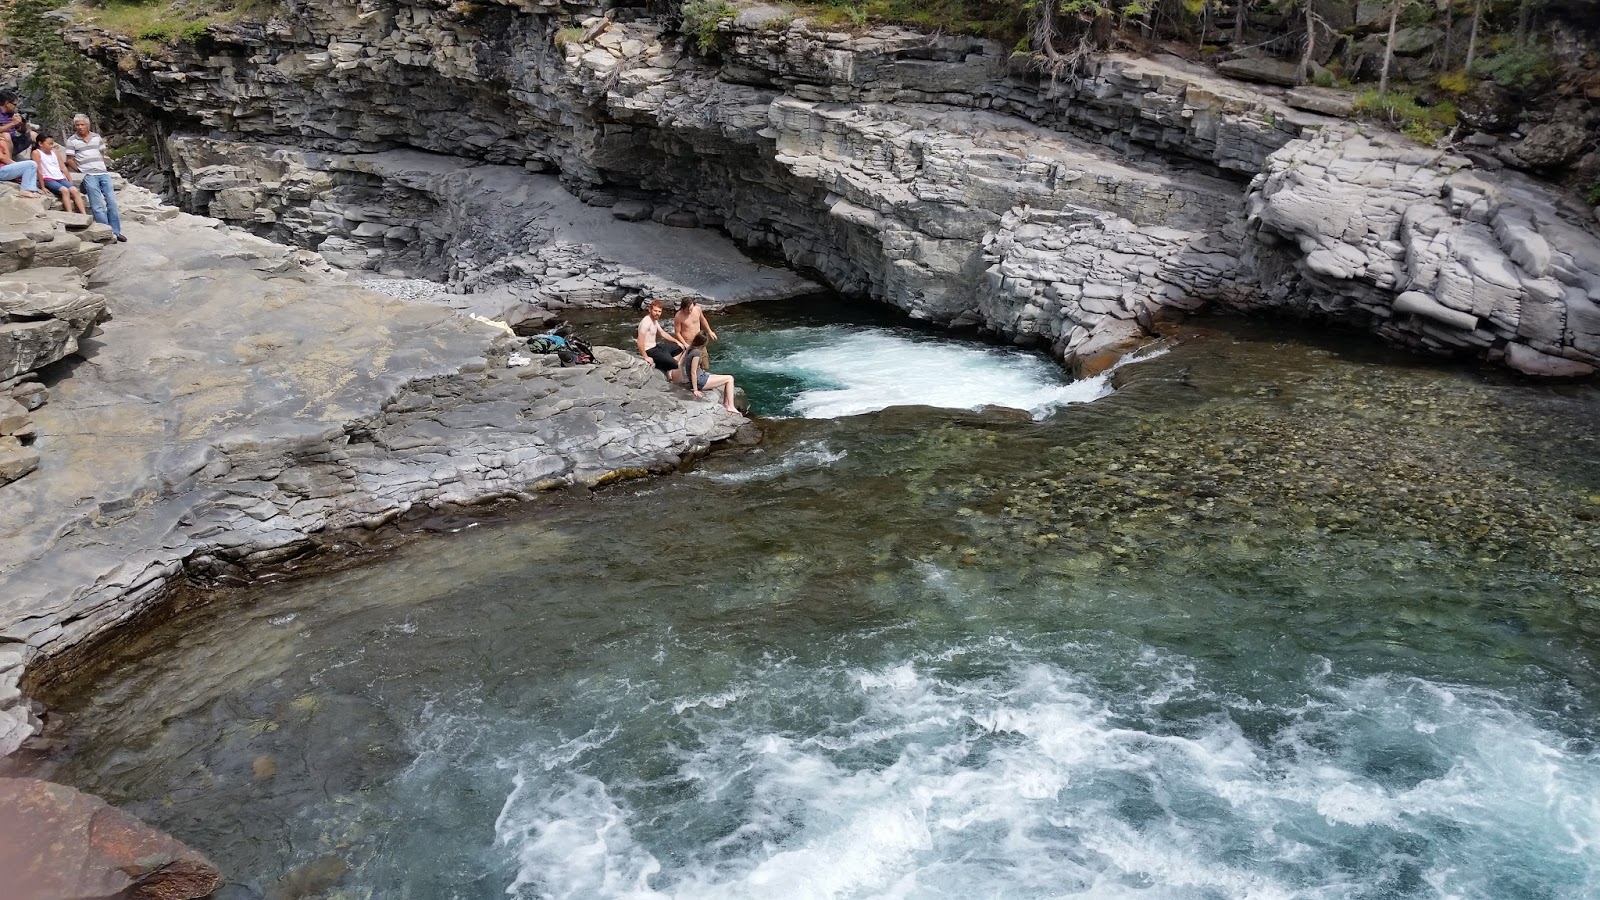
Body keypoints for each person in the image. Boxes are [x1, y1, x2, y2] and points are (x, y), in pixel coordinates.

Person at [64, 114, 125, 242]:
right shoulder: (72, 140)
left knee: (111, 202)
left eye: (82, 124)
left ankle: (116, 231)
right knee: (97, 205)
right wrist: (80, 170)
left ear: (88, 125)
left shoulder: (96, 137)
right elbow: (69, 159)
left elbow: (101, 152)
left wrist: (99, 164)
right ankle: (106, 232)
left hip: (103, 173)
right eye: (77, 125)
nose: (80, 127)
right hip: (89, 175)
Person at [677, 333, 739, 413]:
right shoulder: (697, 353)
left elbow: (679, 364)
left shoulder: (690, 348)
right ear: (703, 343)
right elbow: (693, 371)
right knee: (730, 379)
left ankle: (726, 404)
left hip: (701, 377)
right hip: (700, 381)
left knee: (727, 378)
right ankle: (730, 406)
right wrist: (695, 390)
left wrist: (683, 378)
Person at [33, 136, 87, 214]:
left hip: (60, 177)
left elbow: (63, 167)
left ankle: (84, 213)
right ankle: (70, 213)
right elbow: (39, 170)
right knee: (65, 190)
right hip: (48, 179)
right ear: (40, 143)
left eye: (52, 144)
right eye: (49, 144)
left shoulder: (54, 152)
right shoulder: (36, 153)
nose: (51, 146)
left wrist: (70, 180)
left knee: (74, 190)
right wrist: (43, 187)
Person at [636, 298, 684, 379]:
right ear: (650, 310)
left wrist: (677, 341)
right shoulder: (646, 322)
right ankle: (670, 366)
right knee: (676, 364)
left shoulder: (654, 320)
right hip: (649, 351)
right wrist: (646, 357)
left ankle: (668, 365)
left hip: (656, 347)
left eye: (659, 311)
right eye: (655, 311)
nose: (657, 313)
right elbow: (639, 341)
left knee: (680, 347)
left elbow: (662, 333)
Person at [0, 131, 41, 199]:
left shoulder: (2, 142)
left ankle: (31, 189)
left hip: (4, 168)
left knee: (31, 167)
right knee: (31, 164)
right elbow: (3, 158)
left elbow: (7, 157)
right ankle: (25, 189)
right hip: (1, 170)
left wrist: (3, 144)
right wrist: (16, 165)